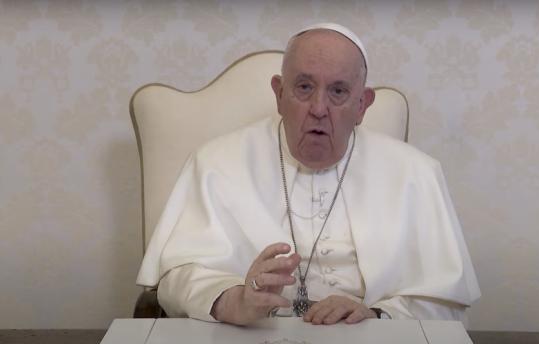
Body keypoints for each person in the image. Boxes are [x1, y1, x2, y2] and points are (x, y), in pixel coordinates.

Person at [136, 23, 480, 326]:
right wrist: (233, 300)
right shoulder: (214, 163)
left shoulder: (416, 174)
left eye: (339, 91)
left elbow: (445, 304)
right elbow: (176, 278)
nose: (318, 109)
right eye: (303, 87)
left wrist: (376, 316)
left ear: (362, 105)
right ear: (279, 93)